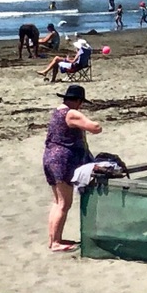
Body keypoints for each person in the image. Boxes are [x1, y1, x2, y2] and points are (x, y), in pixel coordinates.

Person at [43, 83, 101, 253]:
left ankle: (54, 239)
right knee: (64, 203)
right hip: (62, 160)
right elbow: (95, 128)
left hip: (50, 157)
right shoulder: (71, 113)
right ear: (77, 101)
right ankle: (56, 242)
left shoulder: (57, 111)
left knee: (57, 202)